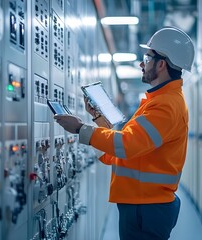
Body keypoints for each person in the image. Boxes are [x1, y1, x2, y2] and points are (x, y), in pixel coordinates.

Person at [55, 26, 194, 240]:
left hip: (147, 208)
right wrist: (98, 119)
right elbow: (118, 151)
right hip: (143, 205)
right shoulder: (158, 101)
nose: (141, 63)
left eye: (146, 58)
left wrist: (81, 129)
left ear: (161, 64)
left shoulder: (166, 105)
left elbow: (126, 144)